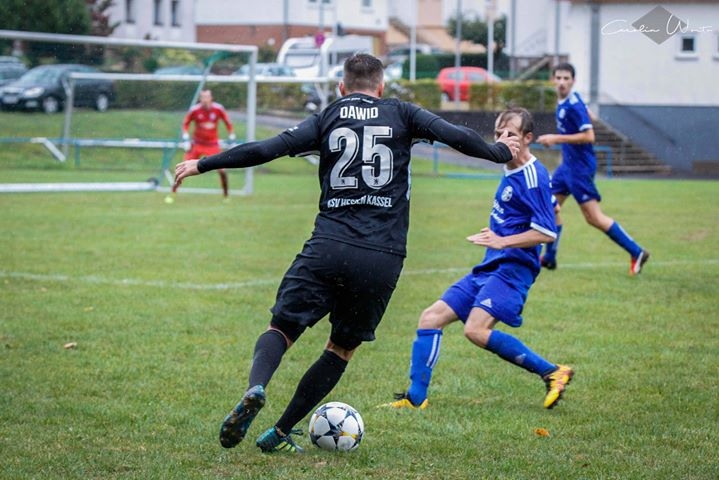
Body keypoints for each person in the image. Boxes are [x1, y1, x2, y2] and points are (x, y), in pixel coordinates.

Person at [173, 53, 520, 453]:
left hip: (328, 246)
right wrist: (499, 152)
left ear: (342, 87)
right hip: (382, 255)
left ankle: (257, 386)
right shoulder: (403, 112)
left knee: (282, 328)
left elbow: (267, 148)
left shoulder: (328, 116)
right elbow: (456, 135)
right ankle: (280, 432)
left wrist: (204, 163)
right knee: (340, 348)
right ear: (381, 86)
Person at [386, 107, 573, 412]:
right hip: (491, 265)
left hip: (513, 269)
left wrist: (503, 240)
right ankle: (415, 399)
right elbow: (552, 207)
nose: (502, 139)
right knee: (430, 318)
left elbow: (547, 231)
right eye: (498, 133)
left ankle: (552, 372)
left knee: (475, 330)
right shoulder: (513, 168)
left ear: (527, 138)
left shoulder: (532, 175)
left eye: (511, 134)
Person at [536, 63, 649, 275]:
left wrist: (556, 138)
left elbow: (589, 136)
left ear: (573, 81)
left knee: (594, 218)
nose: (561, 82)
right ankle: (549, 257)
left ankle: (637, 251)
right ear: (553, 79)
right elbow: (590, 117)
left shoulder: (573, 105)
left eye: (566, 78)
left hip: (579, 168)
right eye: (558, 78)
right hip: (567, 167)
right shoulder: (566, 101)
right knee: (549, 206)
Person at [165, 89, 236, 204]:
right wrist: (185, 137)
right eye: (202, 97)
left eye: (207, 97)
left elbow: (228, 122)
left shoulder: (218, 109)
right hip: (197, 144)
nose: (205, 99)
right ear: (200, 99)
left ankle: (226, 195)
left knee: (222, 171)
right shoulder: (195, 110)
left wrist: (231, 134)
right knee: (182, 169)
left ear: (211, 98)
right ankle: (172, 193)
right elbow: (185, 123)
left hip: (212, 145)